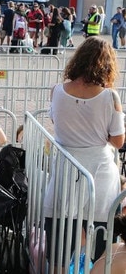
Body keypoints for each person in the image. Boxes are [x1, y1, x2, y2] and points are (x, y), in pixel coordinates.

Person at [45, 36, 125, 268]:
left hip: (66, 166)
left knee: (61, 237)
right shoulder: (110, 96)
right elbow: (118, 141)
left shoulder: (57, 90)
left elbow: (56, 120)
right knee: (101, 234)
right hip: (98, 169)